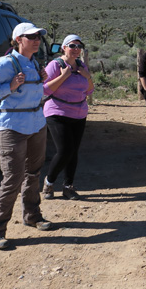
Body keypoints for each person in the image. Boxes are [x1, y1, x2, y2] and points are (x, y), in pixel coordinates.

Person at [0, 22, 54, 250]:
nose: (37, 39)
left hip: (36, 123)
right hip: (12, 126)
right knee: (12, 178)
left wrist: (40, 78)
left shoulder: (33, 63)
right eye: (31, 36)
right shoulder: (4, 64)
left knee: (34, 172)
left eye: (38, 36)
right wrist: (8, 86)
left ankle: (32, 215)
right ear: (18, 39)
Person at [41, 34, 94, 201]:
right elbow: (45, 90)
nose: (76, 49)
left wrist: (87, 76)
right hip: (57, 111)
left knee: (73, 152)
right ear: (64, 47)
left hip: (79, 113)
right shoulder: (55, 65)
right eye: (72, 46)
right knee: (65, 150)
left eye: (79, 46)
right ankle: (49, 182)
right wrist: (64, 76)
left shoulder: (81, 65)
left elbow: (90, 90)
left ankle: (68, 187)